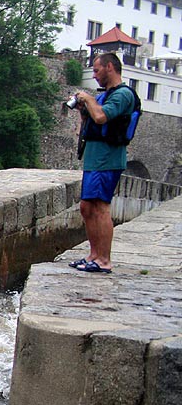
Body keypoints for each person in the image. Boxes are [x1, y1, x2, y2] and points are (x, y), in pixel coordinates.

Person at [70, 52, 137, 274]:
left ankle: (104, 260)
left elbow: (101, 118)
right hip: (94, 159)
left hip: (108, 160)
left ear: (110, 67)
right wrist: (83, 110)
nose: (95, 76)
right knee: (87, 207)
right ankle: (93, 255)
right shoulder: (103, 96)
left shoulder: (123, 95)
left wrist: (87, 98)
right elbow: (91, 121)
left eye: (97, 70)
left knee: (100, 207)